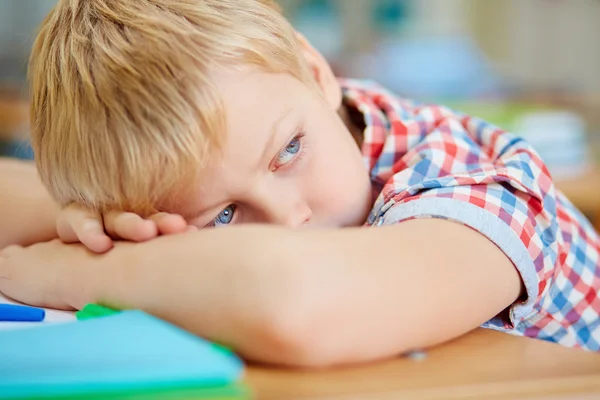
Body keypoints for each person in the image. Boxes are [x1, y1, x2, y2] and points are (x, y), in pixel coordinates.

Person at [1, 0, 599, 367]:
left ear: (317, 74)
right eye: (224, 216)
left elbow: (299, 309)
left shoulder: (475, 183)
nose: (289, 219)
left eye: (288, 151)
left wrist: (70, 270)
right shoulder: (286, 117)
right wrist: (97, 223)